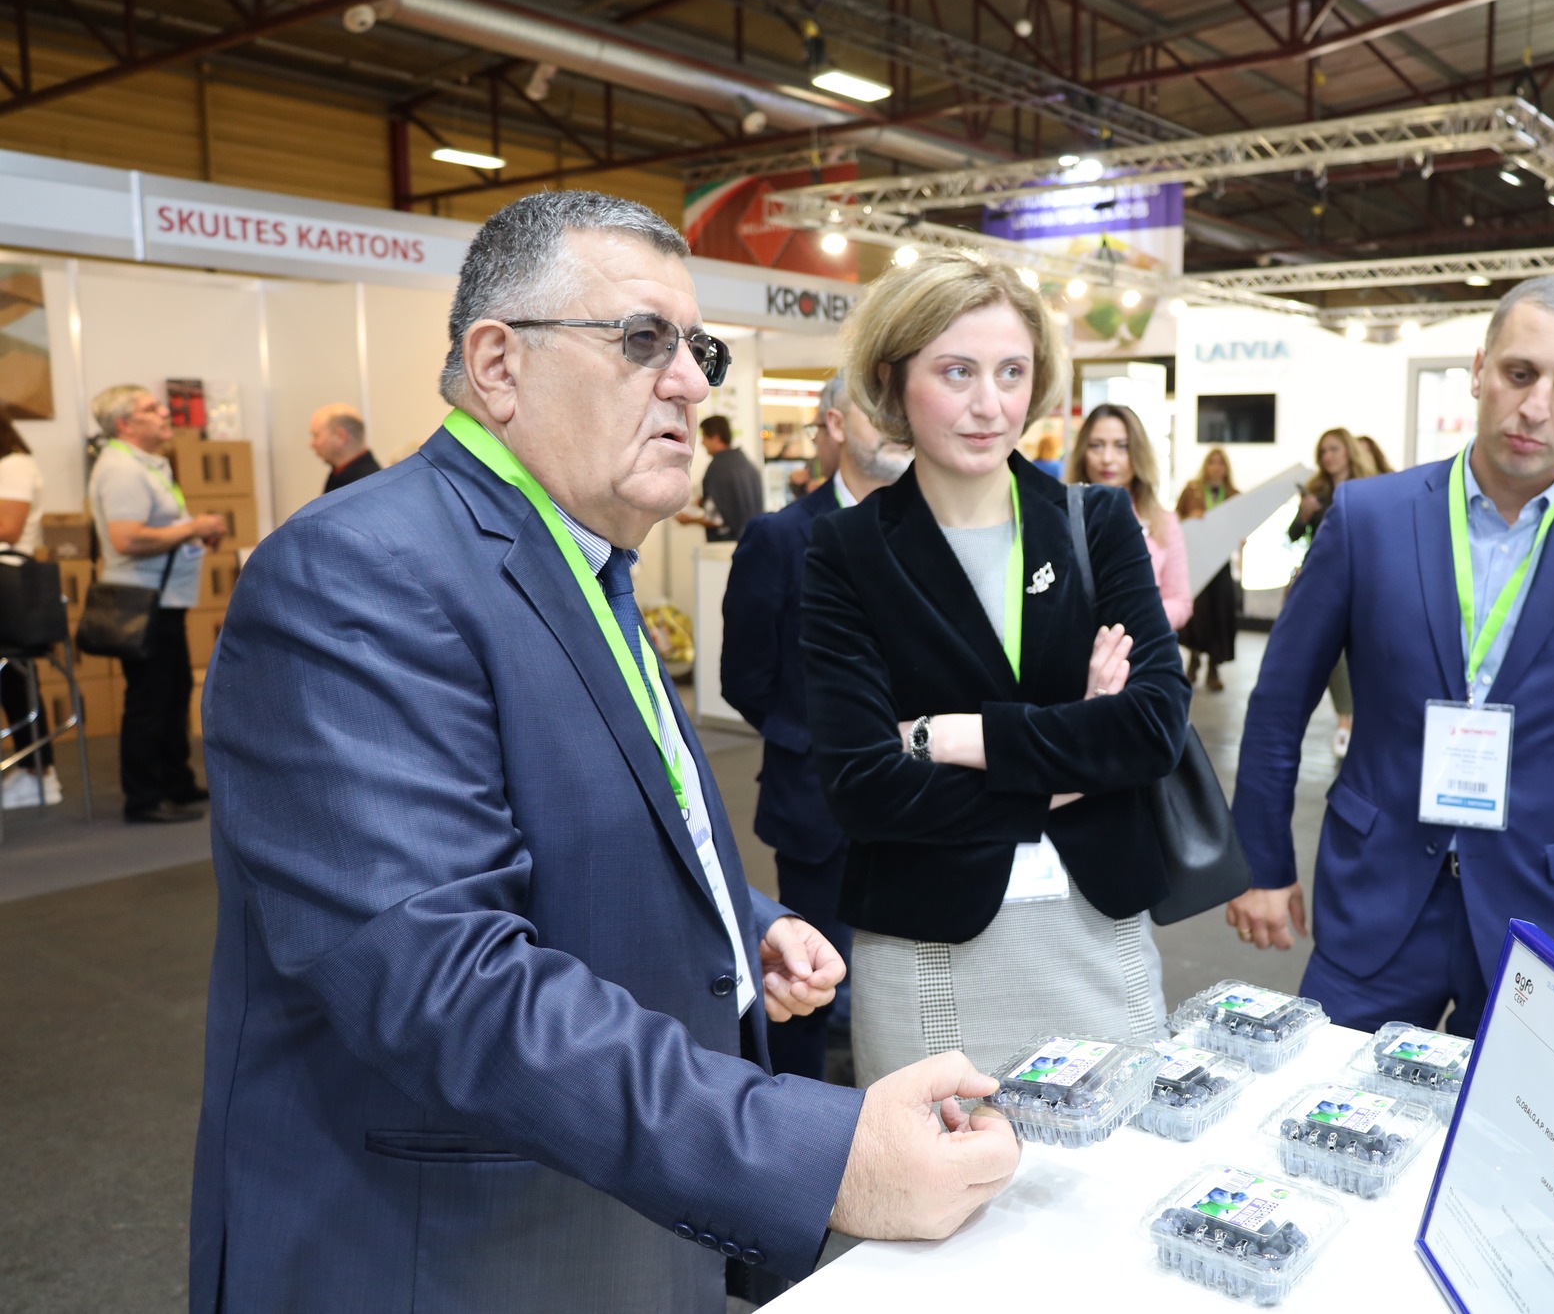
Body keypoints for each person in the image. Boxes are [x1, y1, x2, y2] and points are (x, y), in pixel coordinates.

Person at [189, 192, 1019, 1314]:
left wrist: (737, 921)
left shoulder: (577, 558)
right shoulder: (358, 573)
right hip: (447, 1257)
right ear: (498, 365)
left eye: (698, 351)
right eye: (641, 340)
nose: (690, 383)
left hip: (596, 1223)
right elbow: (443, 981)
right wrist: (816, 1153)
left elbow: (591, 813)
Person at [1228, 274, 1554, 1036]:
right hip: (1375, 900)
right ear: (1478, 370)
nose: (1535, 406)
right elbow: (1278, 703)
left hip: (1551, 921)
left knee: (1526, 1117)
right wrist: (1260, 864)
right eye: (1519, 373)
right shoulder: (1368, 518)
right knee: (1325, 1102)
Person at [801, 249, 1189, 1086]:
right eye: (957, 372)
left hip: (1096, 932)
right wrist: (1079, 746)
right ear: (893, 377)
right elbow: (864, 786)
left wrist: (947, 737)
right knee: (931, 1166)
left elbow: (1152, 728)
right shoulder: (845, 551)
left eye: (1012, 371)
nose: (990, 404)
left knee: (1118, 1157)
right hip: (926, 949)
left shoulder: (1097, 522)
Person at [721, 377, 910, 1082]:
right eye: (874, 406)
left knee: (916, 976)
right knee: (805, 979)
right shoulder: (779, 537)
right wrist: (811, 738)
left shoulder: (936, 530)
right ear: (834, 423)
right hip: (816, 804)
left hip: (925, 798)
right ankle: (798, 1114)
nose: (893, 420)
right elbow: (745, 675)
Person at [88, 385, 227, 825]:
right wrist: (193, 528)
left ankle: (175, 781)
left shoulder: (146, 464)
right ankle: (145, 797)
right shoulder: (122, 469)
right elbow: (126, 538)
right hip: (144, 601)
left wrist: (192, 531)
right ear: (125, 424)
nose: (165, 412)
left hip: (164, 599)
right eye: (151, 409)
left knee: (173, 691)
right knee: (150, 700)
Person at [1289, 427, 1388, 758]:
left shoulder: (1369, 487)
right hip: (1322, 580)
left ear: (1347, 450)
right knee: (1333, 652)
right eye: (1323, 451)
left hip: (1363, 578)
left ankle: (1363, 715)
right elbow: (1294, 534)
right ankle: (1345, 719)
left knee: (1365, 648)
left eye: (1333, 449)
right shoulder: (1317, 491)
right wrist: (1304, 514)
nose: (1328, 457)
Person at [1068, 403, 1191, 630]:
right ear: (1083, 452)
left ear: (1137, 453)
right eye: (1096, 445)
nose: (1107, 458)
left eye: (1121, 446)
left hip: (1140, 645)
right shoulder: (1061, 517)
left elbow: (1180, 602)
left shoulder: (1163, 522)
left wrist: (1138, 617)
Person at [0, 413, 59, 808]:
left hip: (10, 584)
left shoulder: (14, 465)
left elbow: (9, 528)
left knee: (16, 679)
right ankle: (35, 769)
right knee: (12, 681)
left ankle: (39, 770)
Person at [1176, 447, 1240, 691]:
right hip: (1197, 560)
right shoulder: (1192, 491)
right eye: (1212, 462)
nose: (1216, 467)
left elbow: (1240, 526)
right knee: (1197, 612)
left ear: (1226, 468)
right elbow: (1175, 520)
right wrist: (1190, 518)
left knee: (1219, 613)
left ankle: (1214, 665)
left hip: (1221, 563)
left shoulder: (1234, 495)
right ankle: (1194, 660)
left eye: (1220, 463)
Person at [679, 414, 762, 541]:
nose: (702, 443)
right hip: (751, 540)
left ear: (716, 438)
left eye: (704, 437)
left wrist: (689, 520)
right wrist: (704, 502)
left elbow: (716, 519)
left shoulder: (717, 468)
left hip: (727, 544)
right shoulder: (746, 463)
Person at [310, 403, 381, 492]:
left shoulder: (367, 487)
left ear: (341, 436)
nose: (312, 444)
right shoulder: (338, 474)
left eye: (316, 436)